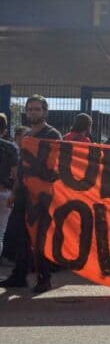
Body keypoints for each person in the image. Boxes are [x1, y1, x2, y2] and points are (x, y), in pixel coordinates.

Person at [0, 94, 62, 293]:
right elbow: (22, 167)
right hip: (23, 193)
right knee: (20, 235)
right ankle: (19, 275)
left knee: (39, 236)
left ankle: (44, 278)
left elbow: (54, 165)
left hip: (42, 194)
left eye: (37, 109)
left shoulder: (52, 134)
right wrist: (15, 191)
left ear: (45, 112)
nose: (33, 112)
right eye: (29, 109)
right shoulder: (27, 136)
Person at [0, 114, 18, 263]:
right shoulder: (10, 147)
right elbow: (16, 174)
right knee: (0, 232)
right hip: (4, 192)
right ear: (4, 130)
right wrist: (14, 193)